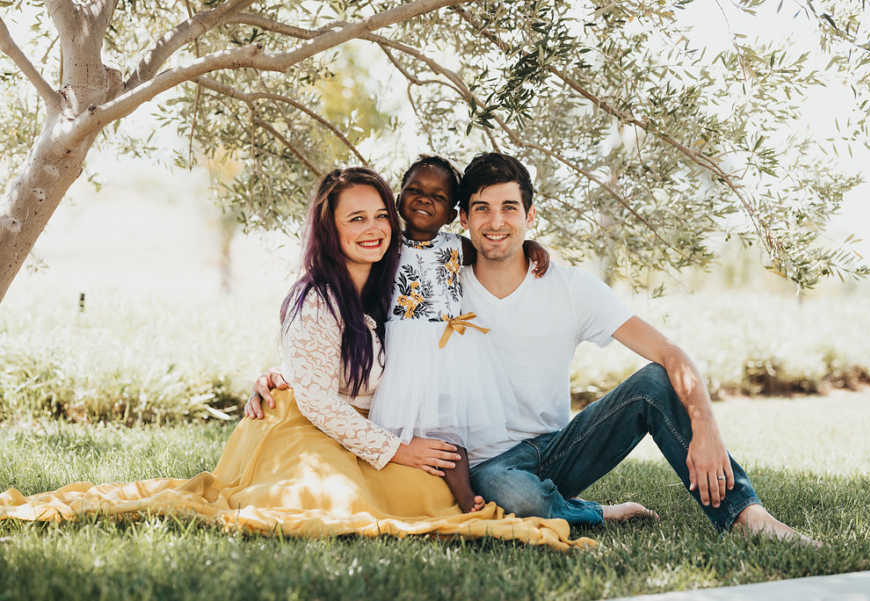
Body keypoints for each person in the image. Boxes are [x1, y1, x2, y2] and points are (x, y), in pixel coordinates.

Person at [0, 167, 595, 550]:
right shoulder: (318, 296)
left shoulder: (386, 286)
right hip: (304, 430)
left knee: (433, 488)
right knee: (335, 505)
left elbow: (451, 250)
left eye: (379, 215)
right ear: (329, 229)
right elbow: (314, 395)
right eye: (355, 219)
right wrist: (394, 447)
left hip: (349, 424)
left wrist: (529, 246)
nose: (373, 228)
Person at [252, 153, 815, 542]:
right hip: (481, 464)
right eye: (483, 211)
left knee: (652, 384)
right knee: (513, 497)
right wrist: (285, 373)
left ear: (529, 215)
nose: (496, 224)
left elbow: (672, 354)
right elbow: (359, 332)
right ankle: (591, 512)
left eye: (510, 210)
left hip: (556, 445)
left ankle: (745, 514)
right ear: (465, 219)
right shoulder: (429, 266)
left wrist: (708, 430)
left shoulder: (567, 285)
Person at [366, 155, 546, 513]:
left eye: (438, 197)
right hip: (403, 350)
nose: (424, 199)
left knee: (449, 431)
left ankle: (466, 499)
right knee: (400, 425)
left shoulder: (455, 246)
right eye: (414, 190)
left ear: (452, 214)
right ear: (398, 198)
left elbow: (497, 250)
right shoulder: (386, 245)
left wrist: (529, 247)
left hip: (449, 351)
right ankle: (399, 492)